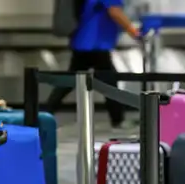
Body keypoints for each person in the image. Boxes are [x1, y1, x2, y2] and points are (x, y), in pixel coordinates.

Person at [47, 0, 140, 130]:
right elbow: (114, 11)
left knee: (71, 80)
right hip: (94, 44)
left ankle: (44, 112)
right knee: (108, 81)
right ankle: (118, 120)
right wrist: (134, 31)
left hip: (85, 41)